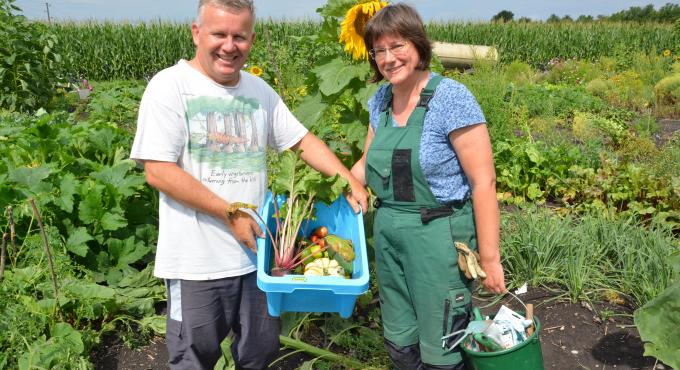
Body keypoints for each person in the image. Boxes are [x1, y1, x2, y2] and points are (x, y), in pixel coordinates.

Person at [130, 0, 368, 369]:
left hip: (257, 260)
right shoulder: (170, 87)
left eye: (239, 36)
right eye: (219, 34)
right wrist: (229, 212)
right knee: (193, 358)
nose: (229, 45)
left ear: (251, 39)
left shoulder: (258, 91)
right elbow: (158, 171)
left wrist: (348, 179)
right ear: (197, 33)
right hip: (196, 264)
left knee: (258, 355)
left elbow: (301, 141)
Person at [350, 3, 506, 369]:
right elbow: (366, 165)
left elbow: (483, 181)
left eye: (397, 46)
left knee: (444, 345)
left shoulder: (451, 98)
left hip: (437, 238)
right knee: (400, 338)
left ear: (418, 44)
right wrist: (331, 188)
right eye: (379, 51)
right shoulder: (381, 101)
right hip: (389, 241)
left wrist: (490, 257)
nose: (388, 58)